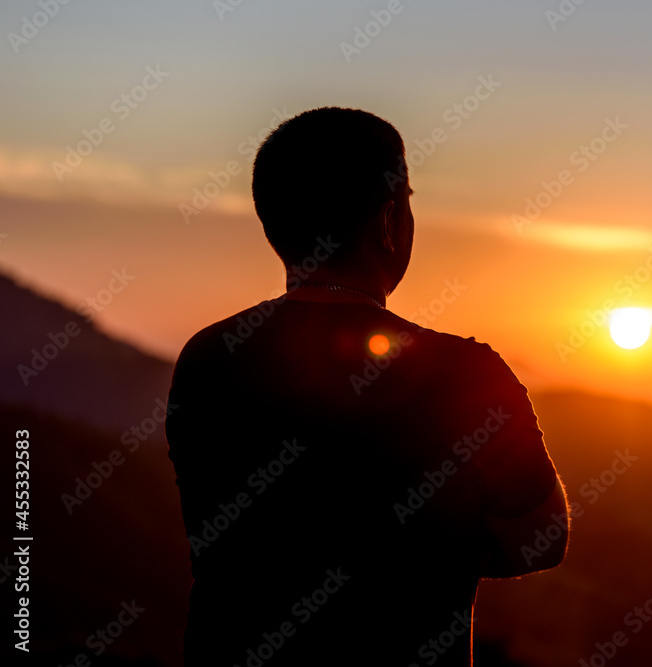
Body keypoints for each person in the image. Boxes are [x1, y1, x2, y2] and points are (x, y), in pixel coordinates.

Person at [164, 107, 570, 666]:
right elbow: (540, 540)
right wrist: (427, 545)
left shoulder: (205, 359)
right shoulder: (465, 374)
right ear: (387, 222)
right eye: (408, 200)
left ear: (273, 224)